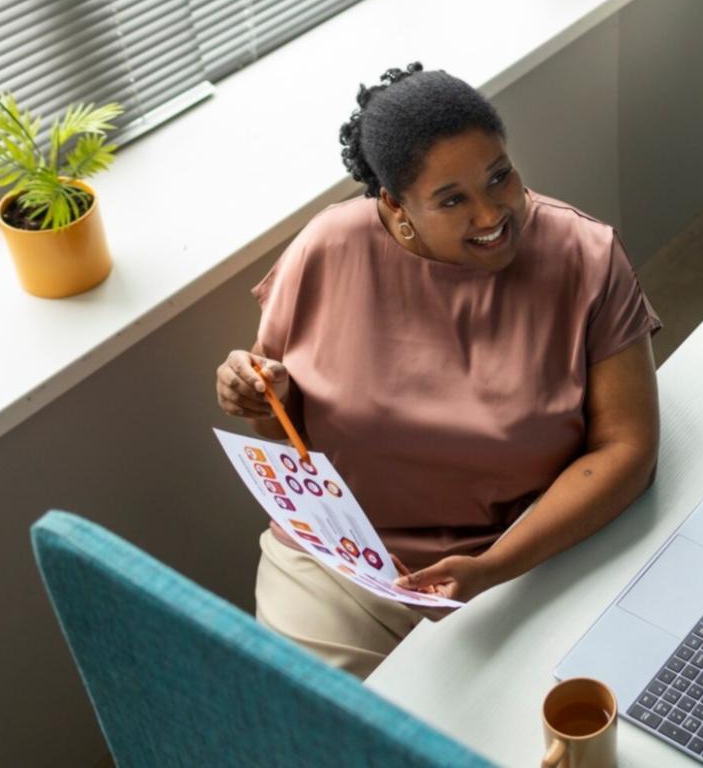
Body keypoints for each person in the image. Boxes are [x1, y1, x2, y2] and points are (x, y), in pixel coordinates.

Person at [215, 65, 662, 677]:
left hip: (523, 556)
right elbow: (289, 434)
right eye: (452, 200)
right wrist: (263, 398)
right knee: (315, 732)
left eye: (500, 176)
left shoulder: (585, 257)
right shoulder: (326, 249)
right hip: (342, 563)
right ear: (397, 208)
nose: (492, 214)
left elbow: (627, 447)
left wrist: (496, 567)